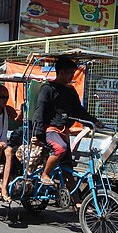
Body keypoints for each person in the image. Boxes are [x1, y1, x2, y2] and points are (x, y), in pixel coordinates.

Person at [32, 57, 103, 192]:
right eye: (69, 72)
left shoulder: (70, 90)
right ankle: (45, 174)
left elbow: (78, 110)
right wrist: (38, 134)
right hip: (50, 130)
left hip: (64, 132)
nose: (71, 75)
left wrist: (94, 121)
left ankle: (76, 204)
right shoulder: (47, 89)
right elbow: (39, 111)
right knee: (61, 148)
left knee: (68, 170)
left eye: (73, 72)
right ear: (61, 72)